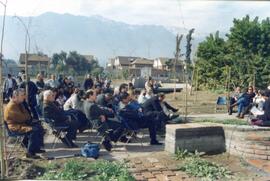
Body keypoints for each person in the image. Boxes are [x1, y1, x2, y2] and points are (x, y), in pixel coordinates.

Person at [4, 89, 44, 159]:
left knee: (39, 126)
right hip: (15, 127)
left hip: (22, 124)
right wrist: (27, 117)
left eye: (24, 95)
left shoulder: (19, 104)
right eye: (22, 95)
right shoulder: (11, 106)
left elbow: (27, 115)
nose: (24, 97)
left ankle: (36, 148)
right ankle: (30, 153)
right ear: (15, 97)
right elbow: (22, 118)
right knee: (33, 130)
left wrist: (27, 117)